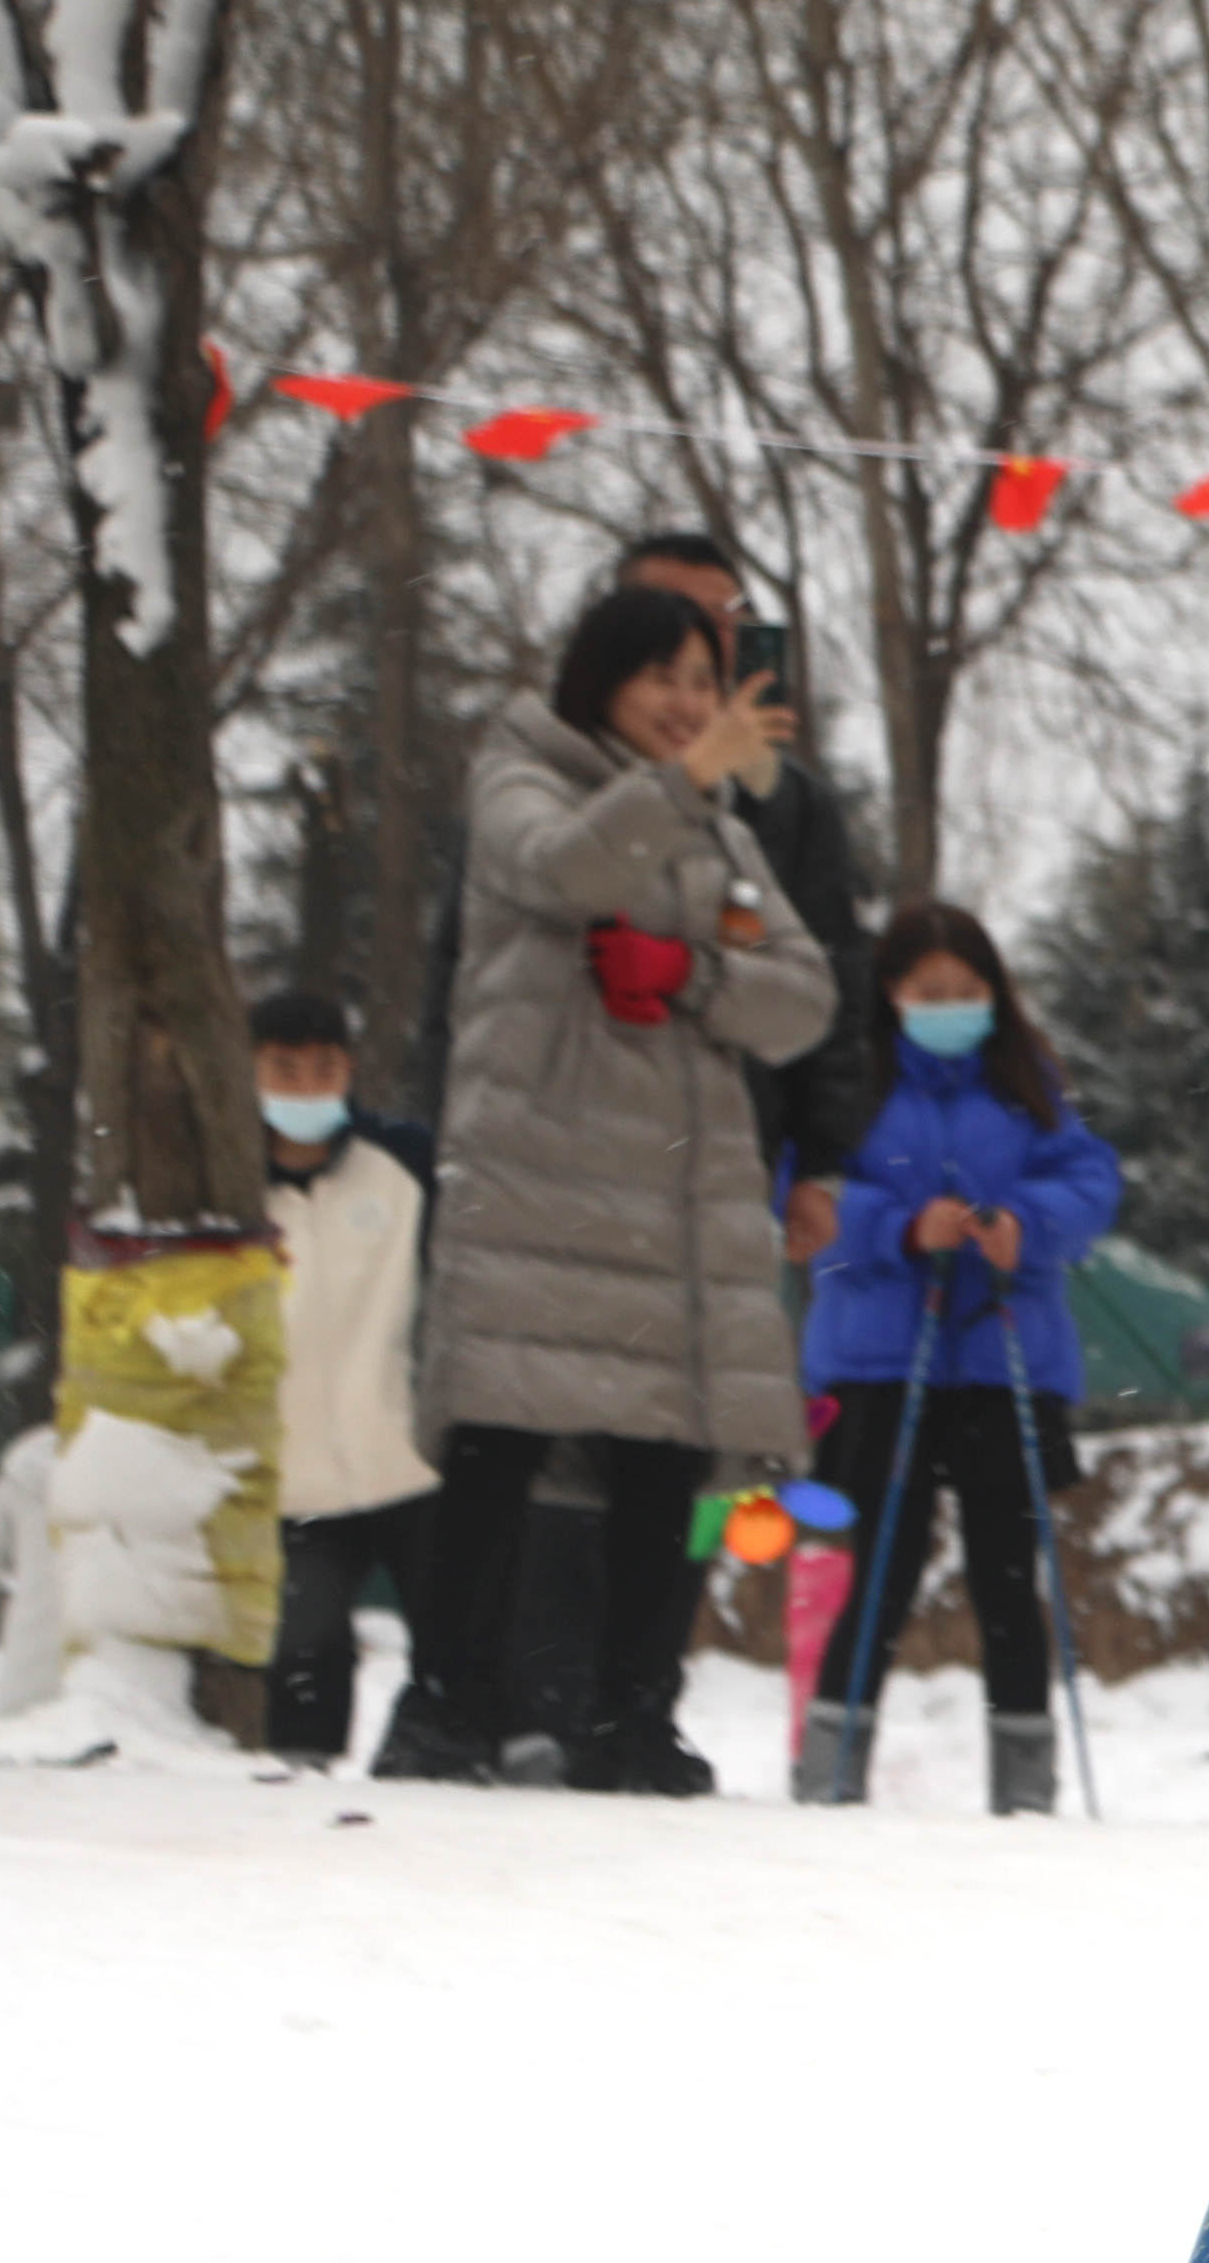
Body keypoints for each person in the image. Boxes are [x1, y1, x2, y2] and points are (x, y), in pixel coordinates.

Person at [406, 581, 840, 1793]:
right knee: (501, 1438)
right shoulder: (522, 769)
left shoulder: (722, 829)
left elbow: (801, 996)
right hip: (539, 1165)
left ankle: (633, 1715)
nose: (689, 706)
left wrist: (694, 974)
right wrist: (689, 780)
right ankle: (447, 1706)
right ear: (601, 675)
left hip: (672, 1184)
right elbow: (557, 869)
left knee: (664, 1453)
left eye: (705, 685)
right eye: (666, 679)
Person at [790, 905, 1127, 1810]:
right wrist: (898, 1228)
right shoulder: (850, 1080)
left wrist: (1025, 1223)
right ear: (890, 994)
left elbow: (1091, 1179)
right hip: (882, 1362)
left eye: (968, 991)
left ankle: (1025, 1785)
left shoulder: (1027, 1077)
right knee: (882, 1566)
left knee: (1008, 1574)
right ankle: (829, 1767)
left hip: (998, 1352)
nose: (951, 1007)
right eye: (929, 992)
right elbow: (803, 1199)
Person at [607, 532, 875, 1247]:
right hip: (573, 1163)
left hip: (730, 1162)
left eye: (723, 621)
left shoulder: (787, 806)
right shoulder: (546, 782)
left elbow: (834, 983)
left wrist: (821, 1165)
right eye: (671, 613)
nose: (700, 641)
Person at [253, 988, 452, 1774]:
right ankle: (302, 1798)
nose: (307, 1088)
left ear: (352, 1068)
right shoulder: (226, 1184)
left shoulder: (405, 1160)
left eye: (325, 1068)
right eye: (285, 1070)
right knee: (304, 1648)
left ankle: (458, 1784)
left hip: (411, 1457)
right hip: (293, 1476)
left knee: (454, 1639)